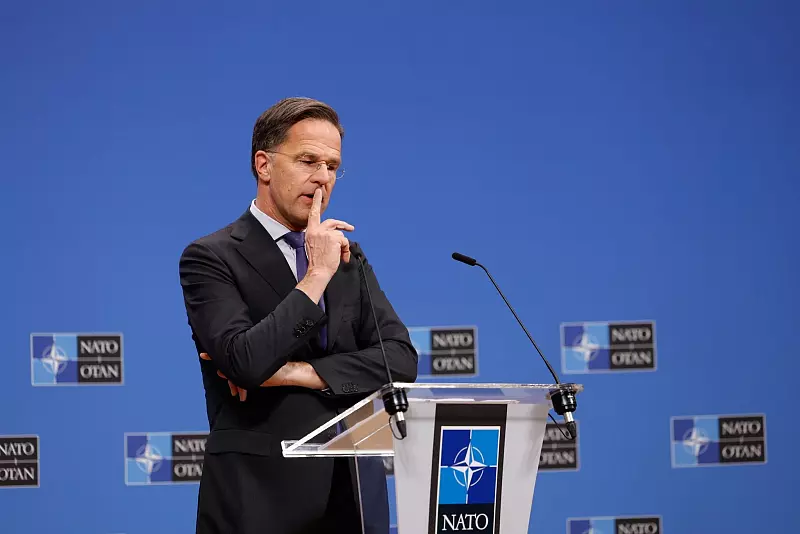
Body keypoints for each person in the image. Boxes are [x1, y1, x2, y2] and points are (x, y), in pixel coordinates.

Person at [178, 97, 418, 534]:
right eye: (308, 161)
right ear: (264, 165)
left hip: (352, 496)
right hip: (258, 499)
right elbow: (245, 361)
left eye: (332, 166)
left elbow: (400, 360)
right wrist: (317, 274)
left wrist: (295, 372)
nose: (323, 177)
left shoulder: (347, 256)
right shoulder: (211, 257)